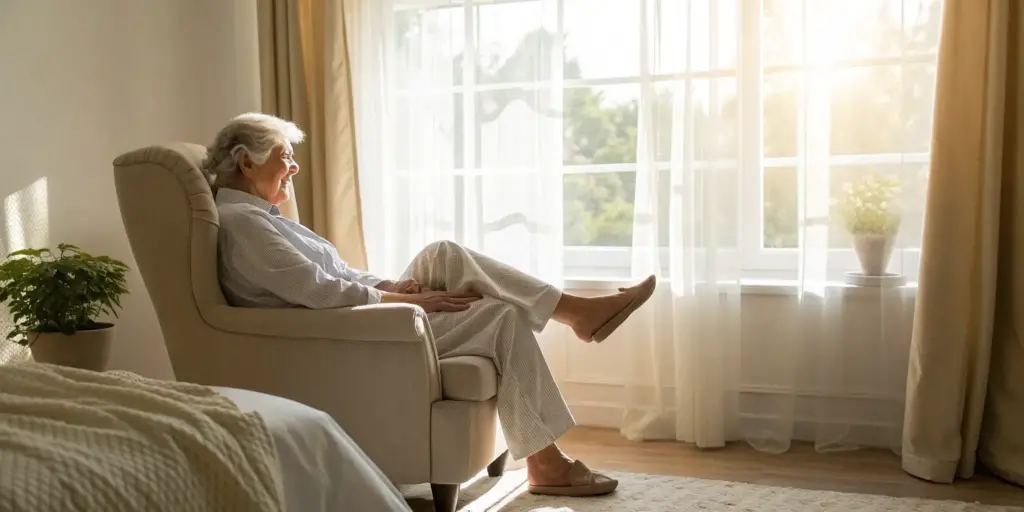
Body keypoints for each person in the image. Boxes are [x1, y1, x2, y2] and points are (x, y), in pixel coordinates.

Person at [203, 112, 655, 497]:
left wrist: (389, 283)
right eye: (285, 157)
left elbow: (337, 276)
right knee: (502, 317)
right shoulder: (244, 226)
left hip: (359, 314)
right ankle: (548, 457)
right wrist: (400, 298)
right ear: (246, 160)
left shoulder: (262, 220)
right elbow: (321, 292)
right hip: (351, 335)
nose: (295, 168)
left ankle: (575, 314)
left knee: (443, 254)